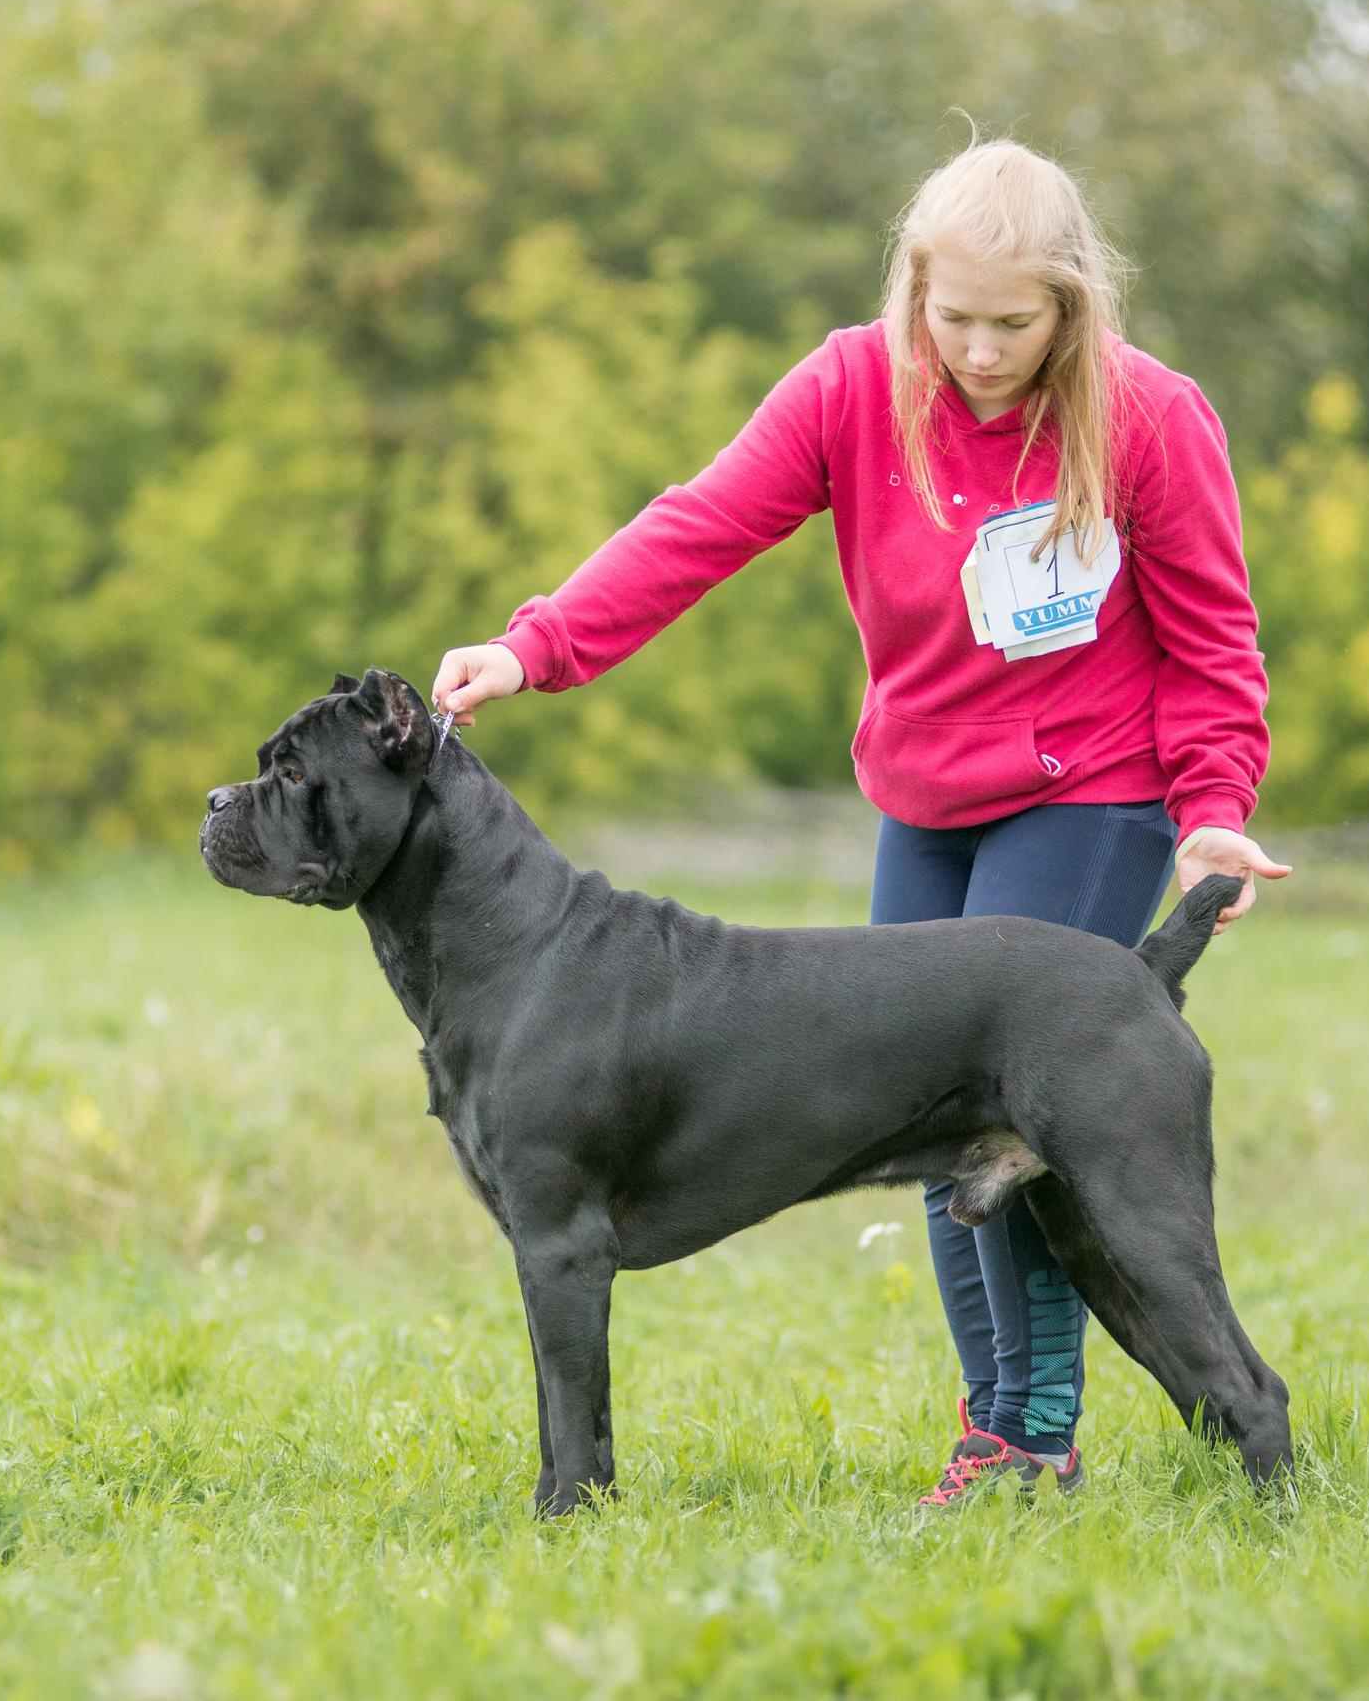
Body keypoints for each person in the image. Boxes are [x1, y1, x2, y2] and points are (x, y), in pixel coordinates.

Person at [429, 137, 1289, 1507]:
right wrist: (536, 646)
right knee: (915, 1120)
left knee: (1026, 1105)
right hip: (929, 798)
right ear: (913, 291)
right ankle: (998, 1424)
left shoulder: (1147, 417)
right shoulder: (853, 387)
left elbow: (1213, 641)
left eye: (1016, 323)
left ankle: (1030, 1437)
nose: (983, 349)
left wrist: (1211, 814)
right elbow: (696, 525)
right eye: (954, 319)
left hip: (1094, 787)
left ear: (1073, 304)